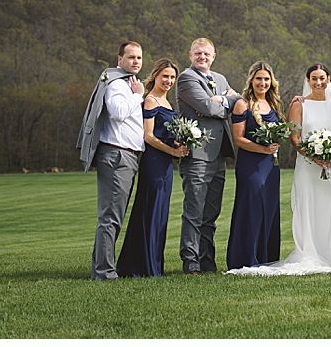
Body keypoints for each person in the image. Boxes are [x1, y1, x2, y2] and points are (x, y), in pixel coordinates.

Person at [226, 63, 331, 276]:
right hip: (305, 166)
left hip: (327, 165)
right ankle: (259, 255)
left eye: (322, 78)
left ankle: (323, 251)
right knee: (293, 206)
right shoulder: (297, 104)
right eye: (314, 78)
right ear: (307, 81)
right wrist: (313, 156)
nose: (318, 82)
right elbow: (293, 138)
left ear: (329, 79)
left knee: (325, 206)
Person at [76, 41, 146, 280]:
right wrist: (138, 97)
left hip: (127, 156)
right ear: (120, 60)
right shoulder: (117, 85)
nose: (135, 61)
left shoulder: (129, 83)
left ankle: (101, 267)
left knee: (113, 215)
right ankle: (104, 272)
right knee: (110, 217)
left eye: (139, 57)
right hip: (117, 155)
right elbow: (117, 113)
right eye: (131, 57)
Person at [116, 58, 189, 277]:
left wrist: (179, 142)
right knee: (150, 210)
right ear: (155, 75)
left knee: (160, 213)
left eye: (172, 77)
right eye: (165, 76)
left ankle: (153, 264)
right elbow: (148, 136)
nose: (169, 81)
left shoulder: (167, 103)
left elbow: (164, 133)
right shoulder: (150, 101)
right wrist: (173, 152)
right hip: (154, 163)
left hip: (166, 165)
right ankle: (141, 266)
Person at [175, 37, 240, 274]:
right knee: (194, 209)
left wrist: (223, 98)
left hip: (219, 153)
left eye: (207, 54)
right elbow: (206, 107)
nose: (202, 57)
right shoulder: (186, 78)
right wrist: (225, 101)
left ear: (214, 56)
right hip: (198, 154)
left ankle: (207, 260)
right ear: (190, 54)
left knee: (211, 211)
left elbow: (237, 99)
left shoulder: (220, 79)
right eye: (198, 53)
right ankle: (190, 261)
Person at [225, 61, 283, 270]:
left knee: (269, 208)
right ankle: (245, 258)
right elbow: (238, 139)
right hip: (251, 165)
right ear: (251, 80)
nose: (263, 82)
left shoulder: (273, 103)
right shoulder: (242, 104)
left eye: (266, 79)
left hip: (271, 165)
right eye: (259, 78)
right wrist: (262, 149)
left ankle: (266, 256)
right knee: (251, 208)